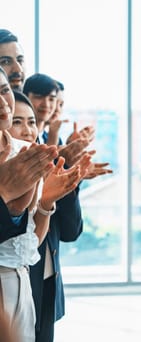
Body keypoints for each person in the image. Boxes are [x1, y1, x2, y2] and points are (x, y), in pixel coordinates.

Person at [0, 67, 81, 341]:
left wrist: (46, 202)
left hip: (23, 283)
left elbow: (29, 243)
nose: (2, 102)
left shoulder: (23, 155)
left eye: (4, 91)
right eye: (19, 122)